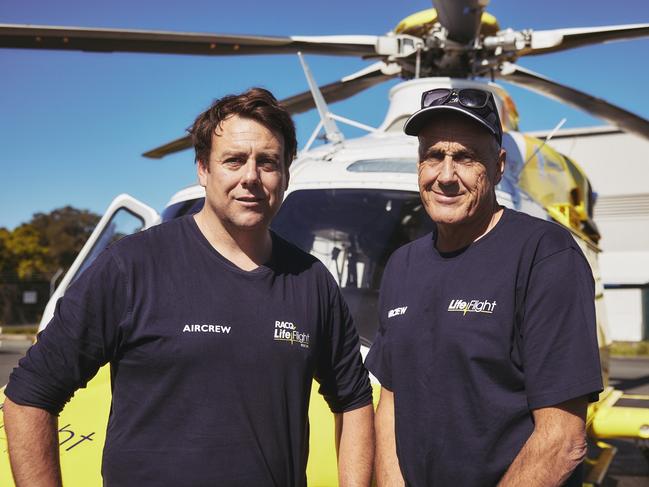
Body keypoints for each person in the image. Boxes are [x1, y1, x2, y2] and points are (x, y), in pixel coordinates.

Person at [3, 87, 374, 486]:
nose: (251, 177)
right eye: (234, 160)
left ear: (285, 173)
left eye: (268, 162)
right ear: (203, 169)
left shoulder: (311, 281)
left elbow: (353, 400)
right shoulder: (131, 267)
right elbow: (28, 398)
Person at [366, 87, 602, 486]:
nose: (445, 176)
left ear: (497, 167)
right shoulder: (403, 265)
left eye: (465, 157)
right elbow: (391, 400)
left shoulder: (544, 255)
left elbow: (563, 439)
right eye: (433, 156)